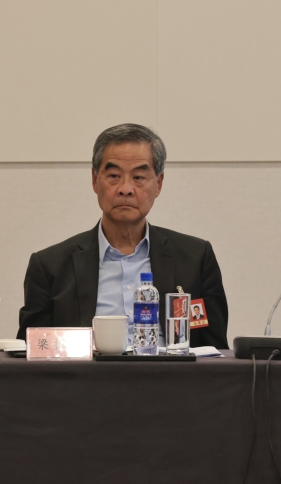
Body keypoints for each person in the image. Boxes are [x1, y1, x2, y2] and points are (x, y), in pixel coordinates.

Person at [17, 123, 228, 348]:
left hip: (168, 371)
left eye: (139, 177)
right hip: (87, 371)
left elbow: (216, 353)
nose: (125, 188)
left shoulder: (195, 260)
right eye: (114, 176)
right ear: (95, 180)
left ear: (158, 184)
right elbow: (31, 352)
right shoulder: (50, 267)